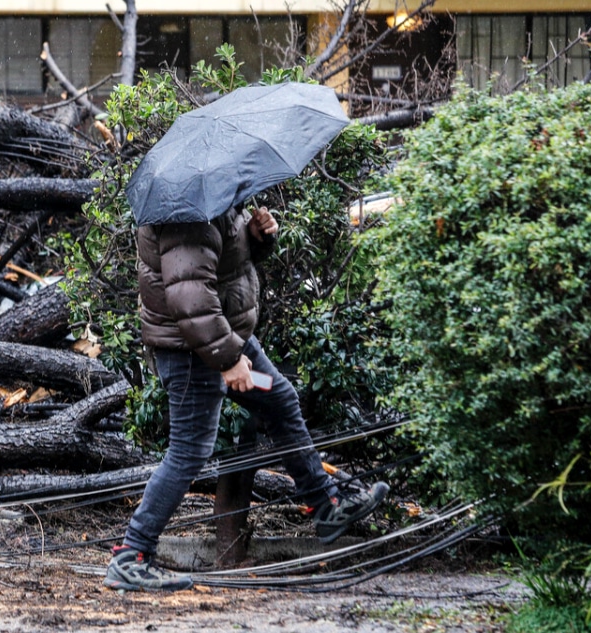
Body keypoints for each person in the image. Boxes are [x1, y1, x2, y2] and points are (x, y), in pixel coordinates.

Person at [104, 206, 389, 592]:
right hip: (194, 350)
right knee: (190, 449)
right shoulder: (186, 210)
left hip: (227, 336)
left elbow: (221, 265)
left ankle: (326, 505)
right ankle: (131, 555)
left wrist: (257, 238)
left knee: (279, 400)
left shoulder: (214, 201)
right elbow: (190, 296)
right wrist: (227, 360)